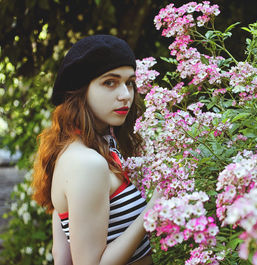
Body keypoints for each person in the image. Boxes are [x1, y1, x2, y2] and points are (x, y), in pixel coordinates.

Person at [31, 35, 160, 265]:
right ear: (81, 90)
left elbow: (62, 255)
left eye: (129, 82)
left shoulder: (87, 148)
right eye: (109, 82)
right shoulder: (87, 163)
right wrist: (154, 208)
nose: (125, 95)